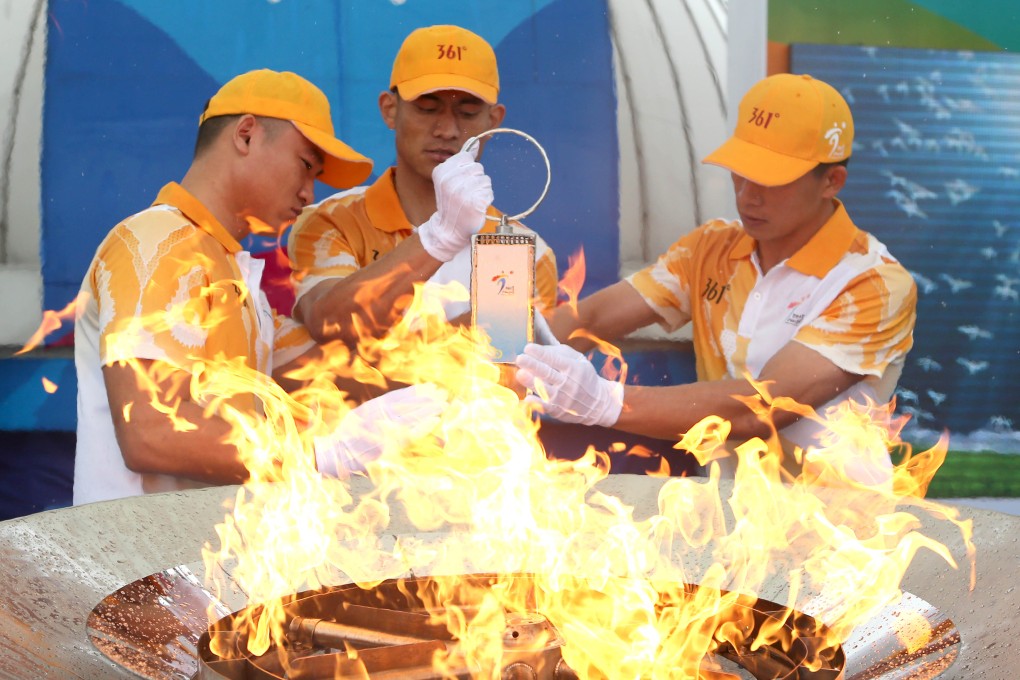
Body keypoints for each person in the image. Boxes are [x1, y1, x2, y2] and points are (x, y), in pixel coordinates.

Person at [73, 69, 460, 505]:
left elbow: (347, 377)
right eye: (305, 165)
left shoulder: (235, 276)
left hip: (192, 563)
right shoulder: (155, 241)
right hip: (136, 565)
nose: (308, 194)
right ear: (246, 135)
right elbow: (152, 433)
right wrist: (313, 455)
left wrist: (488, 369)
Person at [515, 73, 918, 485]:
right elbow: (591, 319)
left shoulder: (874, 282)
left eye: (771, 179)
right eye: (740, 171)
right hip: (728, 518)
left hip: (842, 528)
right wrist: (489, 371)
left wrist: (605, 401)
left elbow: (763, 405)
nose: (747, 194)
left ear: (831, 181)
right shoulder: (710, 248)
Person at [287, 24, 559, 346]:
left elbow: (511, 376)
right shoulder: (333, 222)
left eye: (468, 113)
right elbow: (330, 325)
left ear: (493, 121)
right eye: (427, 109)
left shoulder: (529, 251)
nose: (446, 130)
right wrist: (441, 235)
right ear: (390, 110)